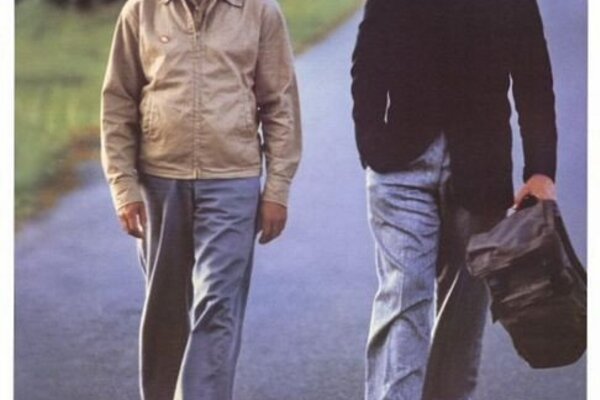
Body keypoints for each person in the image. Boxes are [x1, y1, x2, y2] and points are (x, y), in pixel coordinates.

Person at [351, 0, 557, 399]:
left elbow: (533, 75)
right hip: (400, 165)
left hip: (482, 170)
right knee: (403, 296)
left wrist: (540, 170)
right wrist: (371, 143)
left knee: (462, 314)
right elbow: (369, 60)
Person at [100, 0, 301, 398]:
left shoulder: (260, 11)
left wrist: (277, 187)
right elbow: (118, 102)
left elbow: (280, 103)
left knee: (218, 303)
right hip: (160, 180)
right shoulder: (140, 11)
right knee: (165, 309)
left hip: (233, 179)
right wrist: (123, 186)